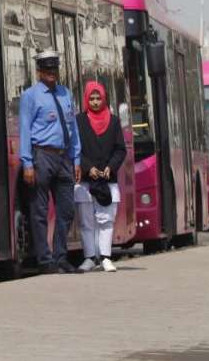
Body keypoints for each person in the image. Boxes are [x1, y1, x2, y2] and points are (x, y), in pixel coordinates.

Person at [19, 49, 83, 275]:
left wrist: (76, 158)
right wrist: (27, 163)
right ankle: (45, 260)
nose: (51, 73)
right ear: (39, 71)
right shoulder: (30, 96)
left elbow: (73, 128)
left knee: (66, 209)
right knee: (40, 211)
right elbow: (25, 130)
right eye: (47, 69)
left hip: (64, 157)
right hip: (41, 155)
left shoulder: (66, 93)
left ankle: (61, 257)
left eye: (54, 69)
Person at [75, 81, 125, 273]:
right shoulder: (79, 121)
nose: (95, 102)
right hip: (86, 181)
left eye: (98, 98)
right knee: (86, 221)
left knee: (106, 220)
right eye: (92, 98)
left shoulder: (114, 121)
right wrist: (88, 168)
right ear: (86, 100)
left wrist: (110, 167)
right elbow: (75, 149)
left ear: (104, 99)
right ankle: (89, 257)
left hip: (107, 180)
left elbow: (120, 150)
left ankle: (105, 257)